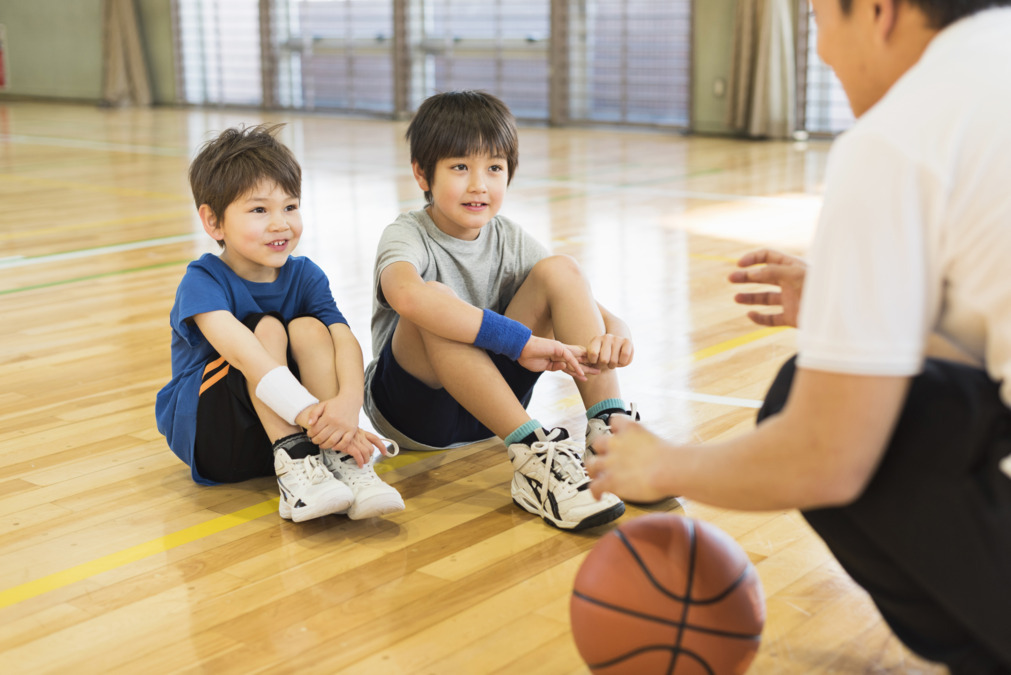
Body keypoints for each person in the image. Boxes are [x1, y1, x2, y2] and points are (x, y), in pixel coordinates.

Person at [587, 0, 1011, 670]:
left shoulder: (900, 131)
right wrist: (859, 305)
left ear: (877, 11)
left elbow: (827, 455)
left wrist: (663, 464)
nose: (819, 52)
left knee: (799, 401)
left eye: (817, 19)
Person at [363, 90, 636, 531]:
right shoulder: (406, 234)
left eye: (494, 168)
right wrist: (521, 341)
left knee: (561, 270)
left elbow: (582, 299)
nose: (479, 184)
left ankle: (608, 432)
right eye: (459, 167)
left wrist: (618, 331)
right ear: (421, 174)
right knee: (435, 302)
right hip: (414, 415)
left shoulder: (509, 237)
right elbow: (409, 297)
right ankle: (533, 456)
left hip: (489, 406)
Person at [155, 124, 404, 523]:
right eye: (259, 210)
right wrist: (311, 416)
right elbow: (246, 357)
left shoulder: (305, 274)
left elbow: (345, 340)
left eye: (290, 207)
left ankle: (339, 461)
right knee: (266, 328)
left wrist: (346, 410)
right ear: (213, 221)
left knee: (310, 329)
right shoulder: (202, 281)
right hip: (215, 438)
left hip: (296, 426)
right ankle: (295, 463)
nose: (280, 223)